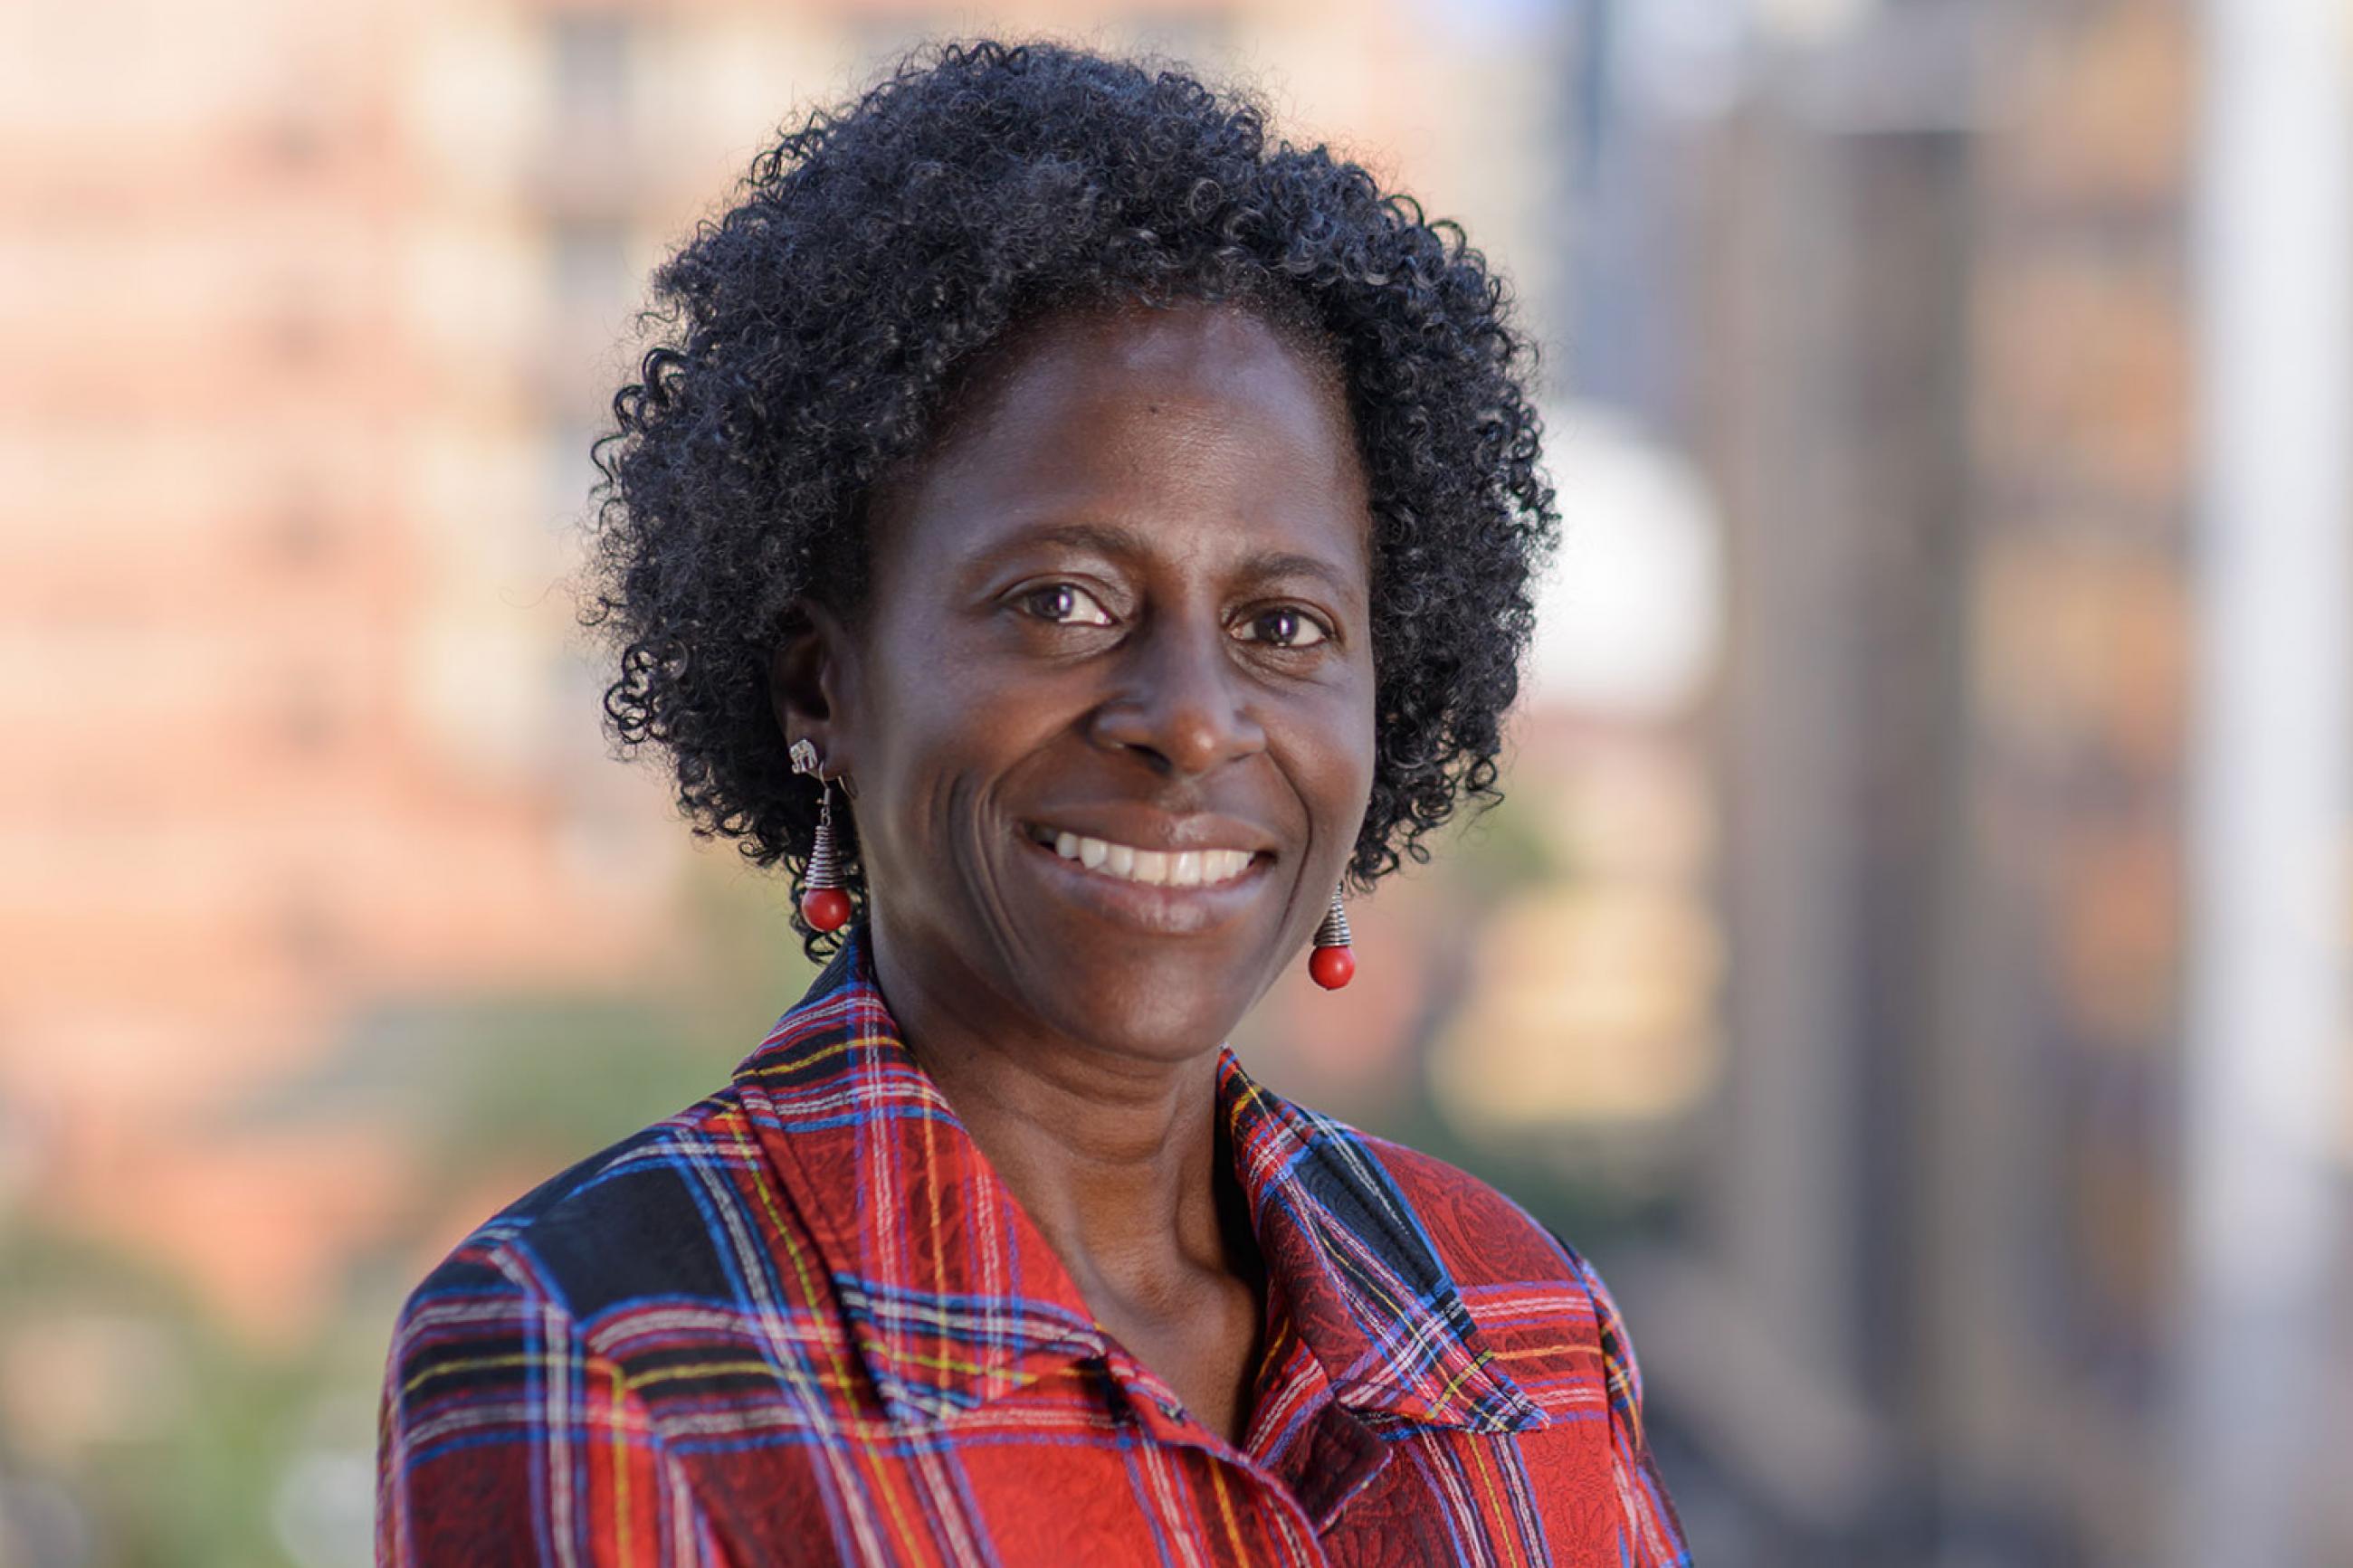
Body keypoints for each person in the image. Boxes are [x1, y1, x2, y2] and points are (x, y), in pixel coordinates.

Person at [376, 39, 1687, 1566]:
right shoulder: (598, 1352)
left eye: (1284, 625)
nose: (1195, 718)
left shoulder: (1516, 1322)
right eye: (1062, 599)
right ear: (823, 684)